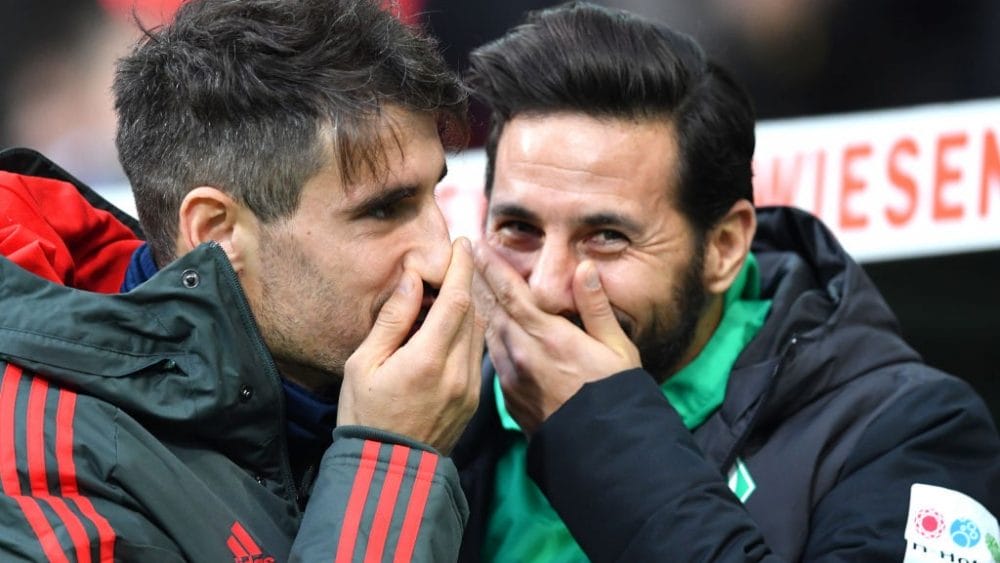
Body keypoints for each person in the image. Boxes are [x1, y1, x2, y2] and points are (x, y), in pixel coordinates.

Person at [452, 3, 1000, 562]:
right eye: (518, 228)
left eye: (607, 236)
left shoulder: (912, 432)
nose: (545, 288)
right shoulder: (430, 404)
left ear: (724, 248)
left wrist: (598, 432)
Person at [0, 0, 484, 560]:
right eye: (383, 210)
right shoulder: (39, 464)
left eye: (434, 195)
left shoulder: (420, 385)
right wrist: (395, 458)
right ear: (217, 233)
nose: (438, 255)